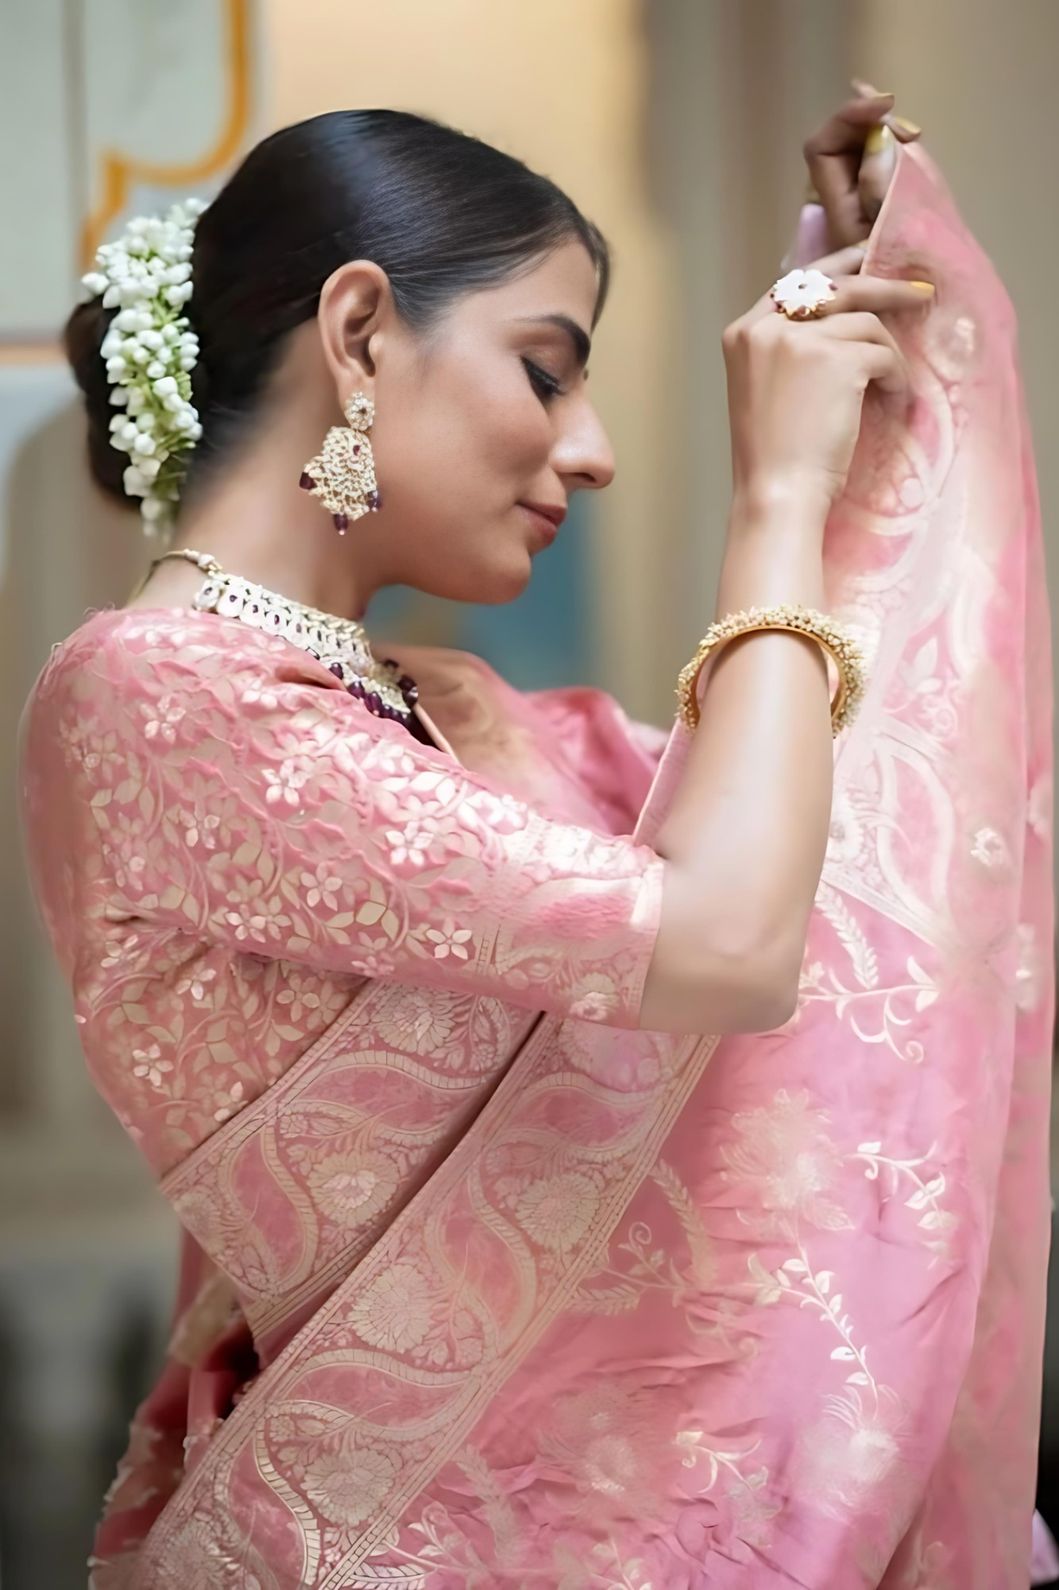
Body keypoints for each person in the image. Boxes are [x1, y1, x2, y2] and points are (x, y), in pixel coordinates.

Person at [16, 92, 1051, 1588]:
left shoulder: (446, 712)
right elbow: (725, 944)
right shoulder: (157, 698)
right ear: (362, 334)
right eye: (546, 371)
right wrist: (773, 494)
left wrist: (855, 312)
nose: (595, 449)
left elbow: (825, 832)